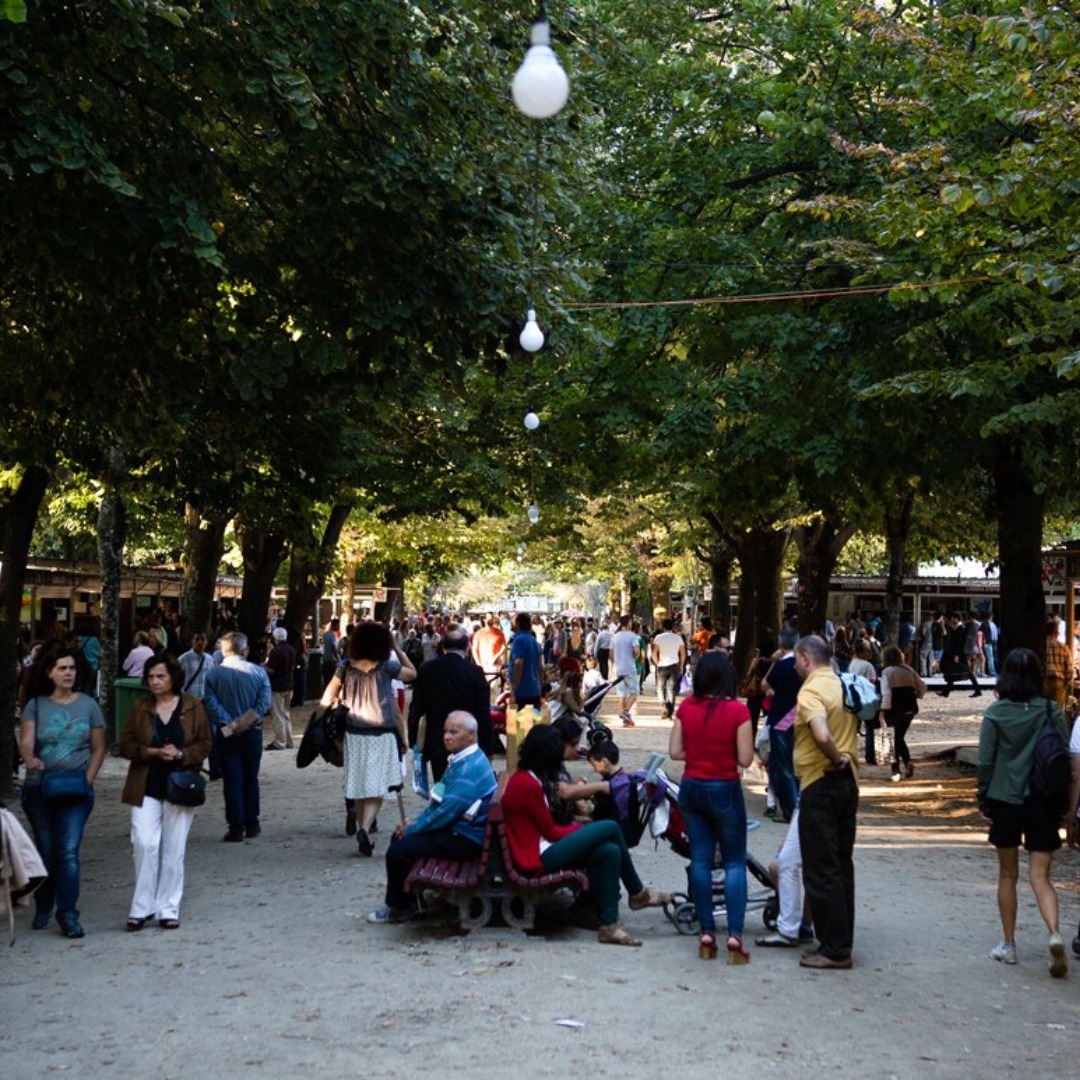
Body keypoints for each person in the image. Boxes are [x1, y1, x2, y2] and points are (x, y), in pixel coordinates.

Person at [501, 724, 670, 947]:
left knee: (609, 851)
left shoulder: (530, 778)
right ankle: (637, 892)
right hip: (535, 856)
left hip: (540, 847)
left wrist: (585, 831)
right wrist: (583, 830)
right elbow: (550, 831)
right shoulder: (527, 784)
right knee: (609, 827)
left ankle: (609, 926)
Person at [977, 647, 1069, 976]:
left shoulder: (996, 713)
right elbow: (1060, 755)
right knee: (1042, 877)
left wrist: (982, 798)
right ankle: (1055, 933)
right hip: (1042, 800)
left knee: (1007, 875)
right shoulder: (1049, 710)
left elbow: (985, 762)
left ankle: (1009, 945)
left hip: (1005, 799)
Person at [367, 711, 497, 924]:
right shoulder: (463, 759)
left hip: (466, 839)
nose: (447, 736)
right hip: (460, 829)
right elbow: (439, 800)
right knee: (401, 840)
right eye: (445, 731)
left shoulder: (469, 768)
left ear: (471, 735)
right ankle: (410, 901)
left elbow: (445, 814)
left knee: (399, 850)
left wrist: (412, 829)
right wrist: (414, 823)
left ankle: (401, 907)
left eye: (454, 732)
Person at [669, 650, 754, 964]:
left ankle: (706, 933)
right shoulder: (738, 712)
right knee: (733, 862)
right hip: (725, 787)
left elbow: (675, 751)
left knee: (700, 860)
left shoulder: (686, 707)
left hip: (691, 787)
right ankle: (734, 935)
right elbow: (745, 758)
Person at [118, 654, 212, 931]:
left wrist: (182, 753)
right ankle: (142, 906)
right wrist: (150, 751)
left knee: (174, 849)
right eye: (151, 677)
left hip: (180, 785)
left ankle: (168, 907)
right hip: (145, 784)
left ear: (173, 677)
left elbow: (205, 742)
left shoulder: (193, 706)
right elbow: (124, 744)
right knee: (144, 843)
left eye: (161, 676)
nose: (155, 681)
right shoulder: (140, 707)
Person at [17, 648, 106, 938]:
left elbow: (98, 748)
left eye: (71, 668)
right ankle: (44, 905)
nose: (68, 673)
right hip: (39, 787)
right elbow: (27, 741)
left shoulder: (89, 706)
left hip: (75, 789)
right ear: (49, 673)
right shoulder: (36, 706)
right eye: (61, 668)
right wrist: (30, 759)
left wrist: (88, 780)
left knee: (67, 851)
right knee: (45, 851)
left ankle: (67, 913)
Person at [792, 634, 859, 970]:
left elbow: (820, 733)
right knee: (841, 864)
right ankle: (840, 939)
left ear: (805, 658)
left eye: (795, 660)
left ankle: (835, 950)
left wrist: (836, 758)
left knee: (821, 869)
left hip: (822, 782)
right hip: (849, 787)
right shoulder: (842, 684)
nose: (794, 666)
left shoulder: (811, 691)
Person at [323, 622, 416, 856]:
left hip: (354, 731)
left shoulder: (345, 666)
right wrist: (398, 648)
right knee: (379, 784)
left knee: (361, 782)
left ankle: (361, 825)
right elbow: (413, 673)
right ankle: (364, 827)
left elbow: (326, 697)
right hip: (381, 731)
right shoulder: (387, 667)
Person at [204, 632, 272, 843]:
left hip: (226, 734)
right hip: (253, 732)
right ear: (245, 650)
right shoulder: (259, 673)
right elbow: (264, 702)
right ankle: (252, 822)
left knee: (232, 779)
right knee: (251, 777)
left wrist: (230, 723)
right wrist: (246, 721)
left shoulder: (214, 675)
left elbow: (211, 704)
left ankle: (236, 826)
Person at [408, 625, 491, 782]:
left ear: (443, 646)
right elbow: (483, 712)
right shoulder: (475, 672)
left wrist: (414, 740)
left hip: (437, 736)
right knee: (465, 782)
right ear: (467, 648)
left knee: (441, 780)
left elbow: (416, 707)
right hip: (467, 738)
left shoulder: (428, 669)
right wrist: (487, 746)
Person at [760, 627, 802, 824]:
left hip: (782, 716)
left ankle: (790, 808)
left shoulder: (783, 664)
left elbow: (765, 684)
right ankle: (800, 803)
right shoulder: (805, 664)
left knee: (783, 764)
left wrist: (775, 661)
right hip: (803, 716)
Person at [880, 645, 926, 782]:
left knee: (894, 739)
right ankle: (906, 764)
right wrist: (917, 695)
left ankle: (897, 769)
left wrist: (882, 711)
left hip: (895, 709)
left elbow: (886, 694)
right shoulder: (909, 670)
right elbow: (922, 687)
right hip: (910, 707)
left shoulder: (887, 672)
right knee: (899, 737)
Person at [264, 627, 297, 750]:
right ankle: (288, 741)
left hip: (277, 686)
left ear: (275, 638)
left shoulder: (275, 652)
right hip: (289, 685)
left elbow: (271, 670)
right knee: (286, 714)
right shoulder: (292, 650)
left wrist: (263, 666)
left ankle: (280, 741)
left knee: (277, 715)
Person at [848, 640, 881, 767]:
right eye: (867, 650)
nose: (870, 652)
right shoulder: (868, 666)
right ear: (861, 652)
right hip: (866, 699)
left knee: (853, 728)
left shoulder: (853, 664)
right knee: (870, 727)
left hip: (853, 698)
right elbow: (871, 684)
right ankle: (870, 756)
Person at [937, 612, 982, 697]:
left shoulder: (961, 628)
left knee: (967, 672)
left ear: (956, 618)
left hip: (960, 654)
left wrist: (957, 655)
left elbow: (959, 643)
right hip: (959, 653)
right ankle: (946, 691)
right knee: (956, 671)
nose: (952, 620)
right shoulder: (960, 628)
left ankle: (978, 690)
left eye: (953, 618)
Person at [651, 617, 686, 720]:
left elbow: (654, 653)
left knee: (660, 687)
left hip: (662, 664)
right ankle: (670, 712)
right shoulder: (678, 638)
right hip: (674, 664)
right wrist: (681, 665)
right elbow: (683, 653)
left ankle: (663, 705)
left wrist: (657, 663)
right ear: (673, 627)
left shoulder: (658, 637)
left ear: (663, 627)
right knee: (671, 689)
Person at [508, 611, 543, 709]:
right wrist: (540, 685)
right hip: (534, 690)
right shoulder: (533, 640)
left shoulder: (519, 640)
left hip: (522, 691)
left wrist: (514, 690)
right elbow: (540, 666)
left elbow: (519, 664)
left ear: (518, 623)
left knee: (521, 722)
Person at [611, 614, 640, 727]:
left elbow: (611, 654)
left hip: (618, 668)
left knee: (621, 694)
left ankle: (625, 720)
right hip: (629, 667)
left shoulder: (615, 636)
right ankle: (626, 712)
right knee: (634, 692)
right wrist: (634, 657)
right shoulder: (633, 636)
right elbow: (636, 651)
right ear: (629, 623)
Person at [471, 613, 507, 694]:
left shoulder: (498, 633)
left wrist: (479, 663)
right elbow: (474, 649)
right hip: (487, 665)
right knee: (488, 690)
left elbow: (503, 647)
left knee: (490, 690)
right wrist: (479, 663)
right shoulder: (480, 633)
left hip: (491, 665)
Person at [1042, 620, 1072, 710]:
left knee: (1043, 712)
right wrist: (1065, 682)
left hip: (1043, 681)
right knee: (1056, 712)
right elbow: (1070, 671)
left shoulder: (1041, 646)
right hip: (1058, 683)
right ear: (1056, 633)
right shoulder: (1063, 647)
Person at [178, 632, 212, 700]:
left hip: (204, 699)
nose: (200, 642)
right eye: (197, 639)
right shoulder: (183, 659)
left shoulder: (210, 659)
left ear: (206, 642)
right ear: (192, 641)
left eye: (203, 639)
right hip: (188, 699)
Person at [320, 617, 341, 689]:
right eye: (338, 625)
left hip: (325, 660)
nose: (338, 627)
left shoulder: (326, 634)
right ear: (334, 625)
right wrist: (338, 658)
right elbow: (333, 648)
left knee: (326, 680)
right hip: (332, 661)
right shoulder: (333, 635)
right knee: (332, 680)